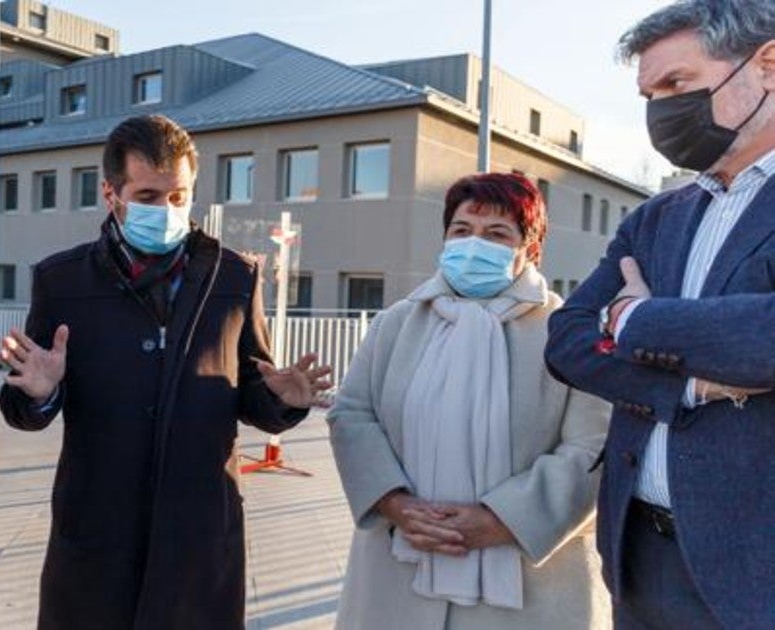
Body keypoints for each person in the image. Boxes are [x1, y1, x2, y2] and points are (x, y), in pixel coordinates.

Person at [0, 114, 332, 630]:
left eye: (179, 196)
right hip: (97, 530)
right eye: (149, 196)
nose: (167, 210)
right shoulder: (60, 280)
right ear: (111, 193)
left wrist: (283, 398)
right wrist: (39, 393)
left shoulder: (234, 274)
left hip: (197, 533)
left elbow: (250, 391)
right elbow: (24, 408)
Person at [545, 1, 775, 627]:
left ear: (768, 64)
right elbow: (566, 338)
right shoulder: (655, 218)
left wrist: (633, 321)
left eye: (676, 84)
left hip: (756, 578)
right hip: (640, 562)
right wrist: (690, 386)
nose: (660, 111)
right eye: (648, 94)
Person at [329, 173, 611, 629]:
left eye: (497, 233)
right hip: (399, 571)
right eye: (462, 231)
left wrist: (503, 519)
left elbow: (594, 447)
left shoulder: (569, 334)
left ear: (531, 248)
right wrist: (395, 503)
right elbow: (352, 416)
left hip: (529, 586)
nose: (474, 244)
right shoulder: (396, 324)